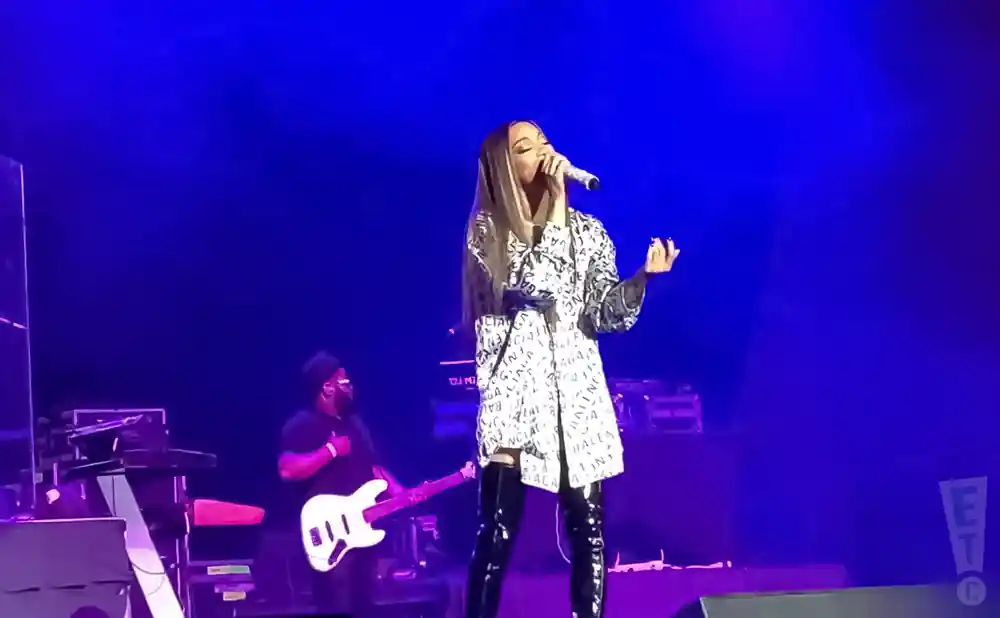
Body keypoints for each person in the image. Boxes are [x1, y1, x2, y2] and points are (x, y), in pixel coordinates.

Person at [461, 121, 680, 618]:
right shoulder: (490, 232)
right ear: (504, 168)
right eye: (525, 147)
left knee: (590, 531)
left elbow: (605, 315)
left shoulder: (589, 234)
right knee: (497, 533)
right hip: (516, 395)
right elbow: (536, 285)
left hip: (576, 396)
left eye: (543, 141)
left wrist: (642, 280)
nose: (542, 152)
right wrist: (557, 208)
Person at [278, 351, 406, 618]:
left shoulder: (355, 425)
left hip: (363, 533)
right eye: (344, 381)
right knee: (338, 607)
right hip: (332, 538)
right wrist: (330, 451)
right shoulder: (303, 424)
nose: (351, 387)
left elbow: (374, 468)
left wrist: (401, 493)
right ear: (327, 387)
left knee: (365, 607)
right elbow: (287, 469)